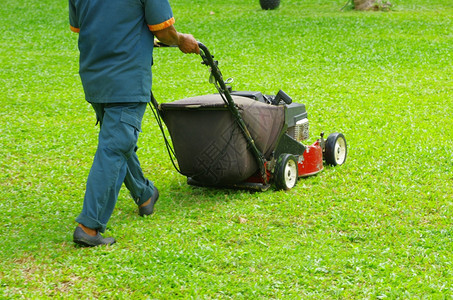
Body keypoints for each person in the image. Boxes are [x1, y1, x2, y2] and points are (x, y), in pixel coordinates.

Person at [69, 0, 199, 247]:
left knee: (117, 140)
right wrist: (181, 39)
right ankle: (89, 226)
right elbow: (163, 31)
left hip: (94, 77)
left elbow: (81, 26)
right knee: (115, 146)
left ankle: (145, 195)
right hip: (126, 79)